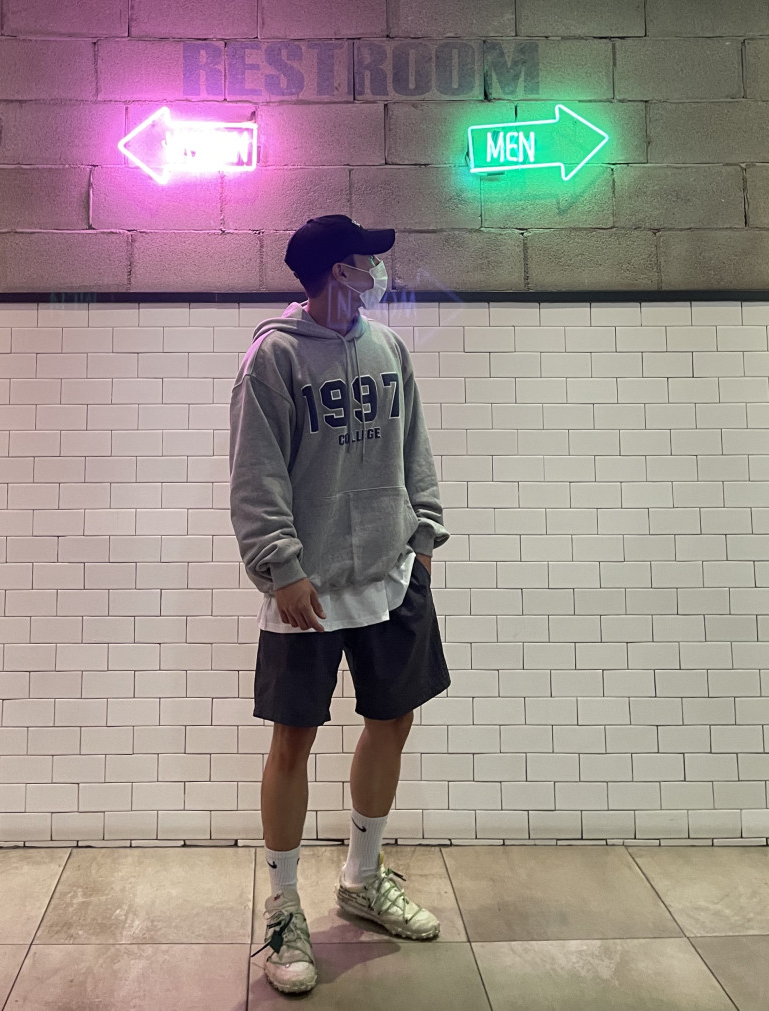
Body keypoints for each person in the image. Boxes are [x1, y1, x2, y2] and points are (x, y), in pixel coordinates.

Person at [229, 214, 452, 995]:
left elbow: (414, 445)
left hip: (393, 572)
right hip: (308, 588)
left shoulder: (388, 348)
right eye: (366, 261)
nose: (378, 272)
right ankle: (283, 907)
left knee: (394, 719)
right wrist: (282, 567)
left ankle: (361, 876)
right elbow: (256, 477)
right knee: (293, 738)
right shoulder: (274, 359)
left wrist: (424, 530)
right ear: (335, 271)